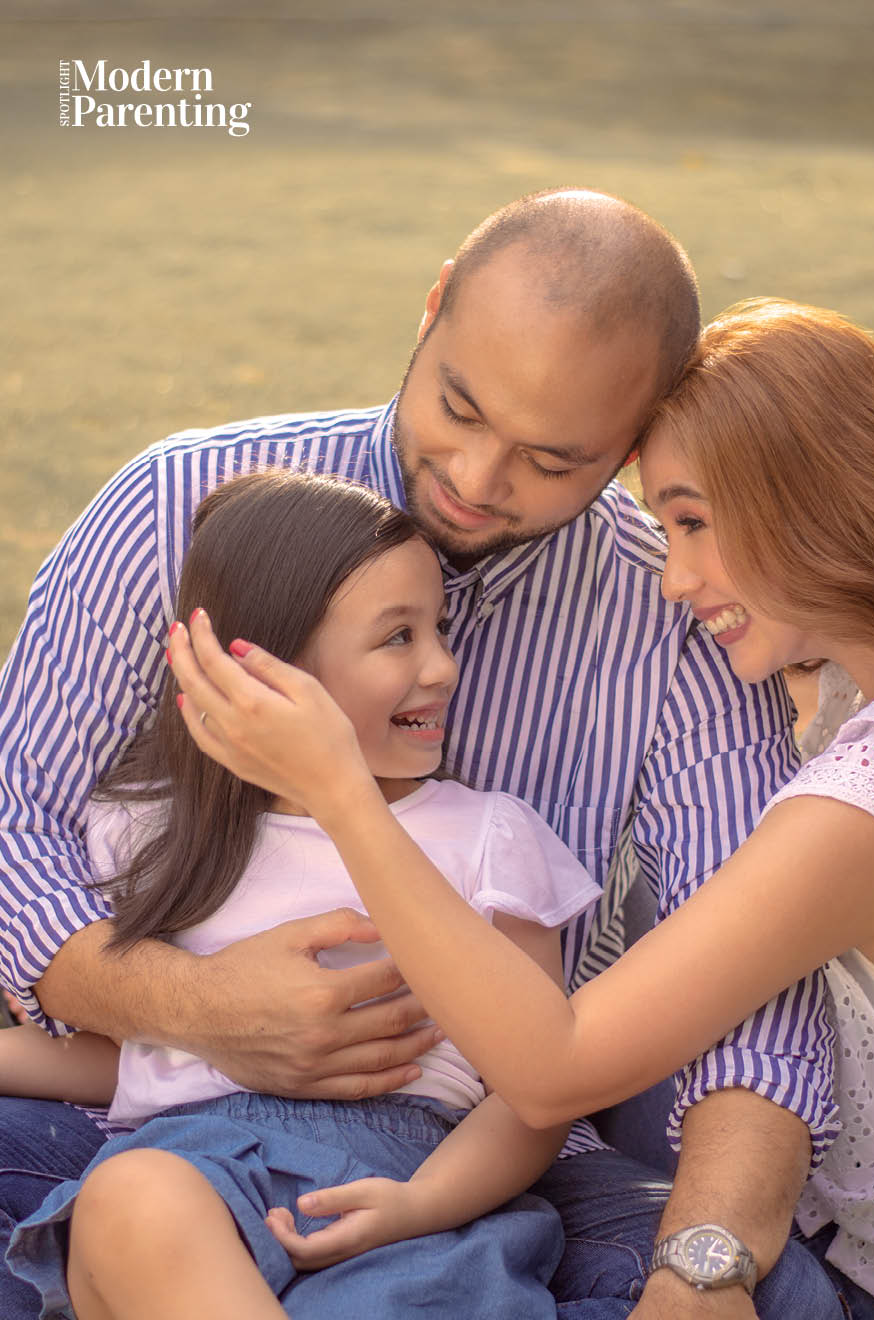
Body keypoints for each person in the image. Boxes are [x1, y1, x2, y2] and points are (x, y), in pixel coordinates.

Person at [0, 190, 827, 1319]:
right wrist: (193, 1006)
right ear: (433, 304)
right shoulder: (172, 507)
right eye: (460, 405)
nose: (479, 481)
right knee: (125, 1210)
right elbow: (16, 830)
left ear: (633, 441)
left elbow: (753, 980)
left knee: (768, 1296)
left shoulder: (673, 612)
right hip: (144, 1125)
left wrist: (709, 1263)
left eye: (551, 456)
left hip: (478, 1150)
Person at [160, 299, 874, 1320]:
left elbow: (550, 1070)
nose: (674, 578)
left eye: (695, 522)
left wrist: (340, 792)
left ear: (820, 501)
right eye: (664, 528)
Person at [7, 470, 603, 1319]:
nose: (443, 665)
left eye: (439, 627)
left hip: (413, 1190)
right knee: (135, 1198)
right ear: (271, 667)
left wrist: (427, 1203)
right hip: (194, 1175)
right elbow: (147, 1057)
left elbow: (538, 1087)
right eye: (399, 637)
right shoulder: (158, 834)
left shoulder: (487, 838)